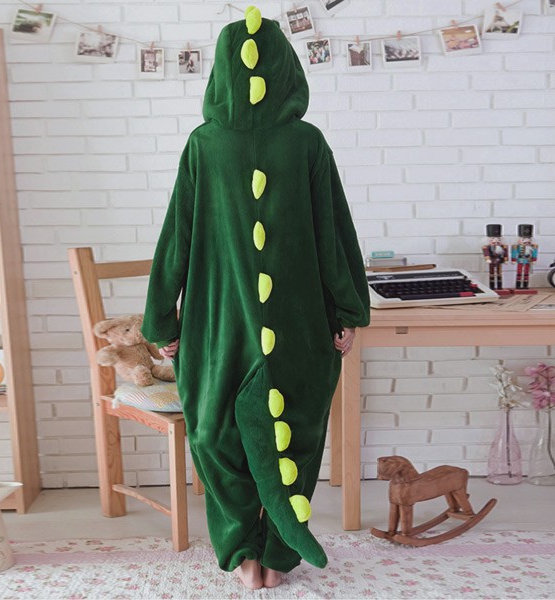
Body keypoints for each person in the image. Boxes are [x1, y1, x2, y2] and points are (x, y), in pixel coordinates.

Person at [142, 6, 370, 590]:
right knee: (297, 430)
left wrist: (162, 320)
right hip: (293, 319)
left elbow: (175, 238)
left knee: (215, 435)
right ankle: (273, 552)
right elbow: (335, 236)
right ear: (287, 69)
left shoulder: (210, 143)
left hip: (217, 324)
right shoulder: (299, 142)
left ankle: (247, 550)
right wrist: (347, 310)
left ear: (221, 72)